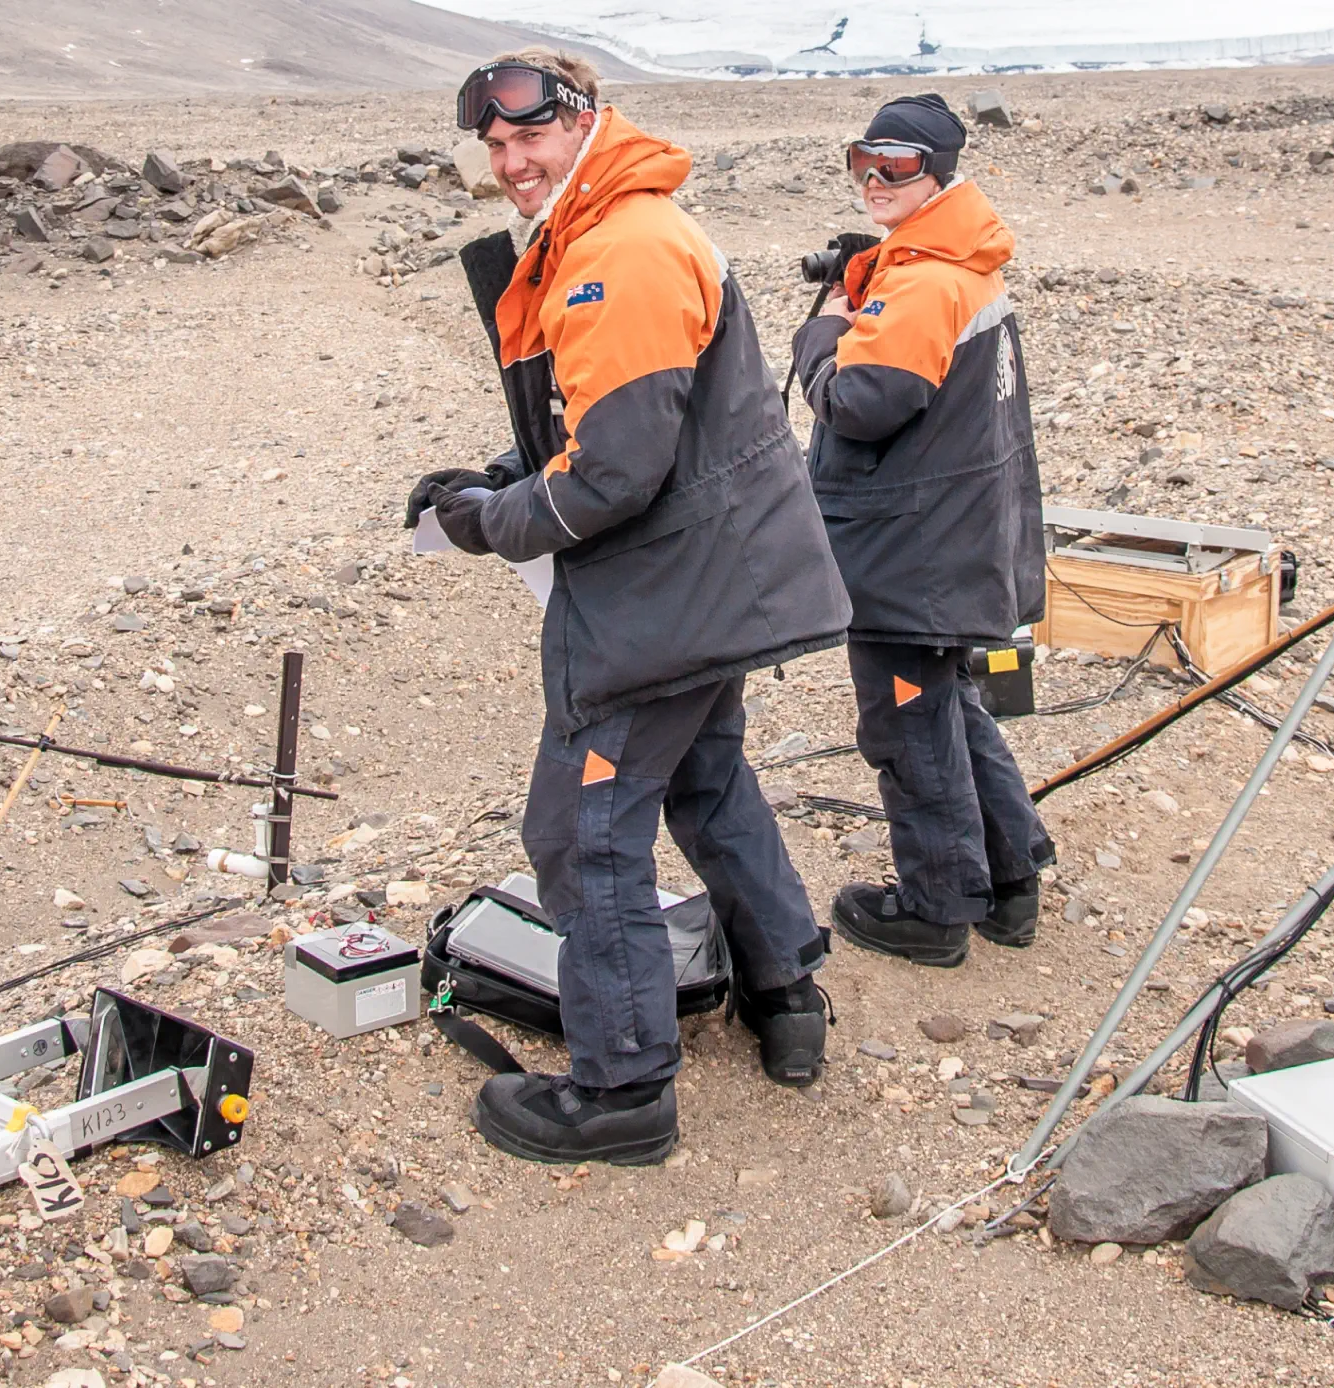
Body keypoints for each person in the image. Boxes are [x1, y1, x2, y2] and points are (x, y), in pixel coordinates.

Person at [404, 50, 852, 1165]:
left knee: (582, 830)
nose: (511, 162)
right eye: (497, 146)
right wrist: (503, 481)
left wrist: (485, 522)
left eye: (530, 139)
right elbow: (619, 427)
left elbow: (615, 473)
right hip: (711, 579)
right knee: (705, 781)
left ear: (587, 121)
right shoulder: (615, 226)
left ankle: (622, 1087)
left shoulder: (622, 248)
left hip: (664, 596)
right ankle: (782, 986)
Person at [790, 93, 1054, 970]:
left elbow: (862, 402)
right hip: (952, 533)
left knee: (907, 723)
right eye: (862, 160)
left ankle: (936, 907)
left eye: (896, 164)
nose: (874, 180)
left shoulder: (928, 277)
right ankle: (1010, 878)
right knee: (947, 706)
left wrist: (823, 330)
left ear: (938, 170)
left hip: (911, 548)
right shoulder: (963, 264)